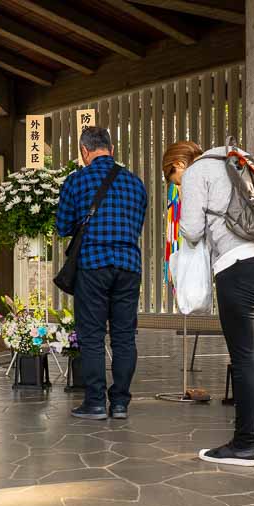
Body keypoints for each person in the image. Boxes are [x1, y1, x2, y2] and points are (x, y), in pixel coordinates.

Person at [163, 140, 254, 467]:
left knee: (245, 358)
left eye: (174, 179)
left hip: (239, 266)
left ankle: (244, 445)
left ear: (178, 164)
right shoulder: (241, 157)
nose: (178, 184)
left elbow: (189, 230)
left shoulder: (196, 172)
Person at [56, 127, 147, 420]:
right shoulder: (135, 183)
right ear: (110, 148)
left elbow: (63, 227)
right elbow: (137, 223)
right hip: (128, 266)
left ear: (84, 151)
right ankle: (120, 403)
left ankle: (95, 403)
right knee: (123, 337)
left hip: (93, 265)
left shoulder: (76, 180)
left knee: (92, 336)